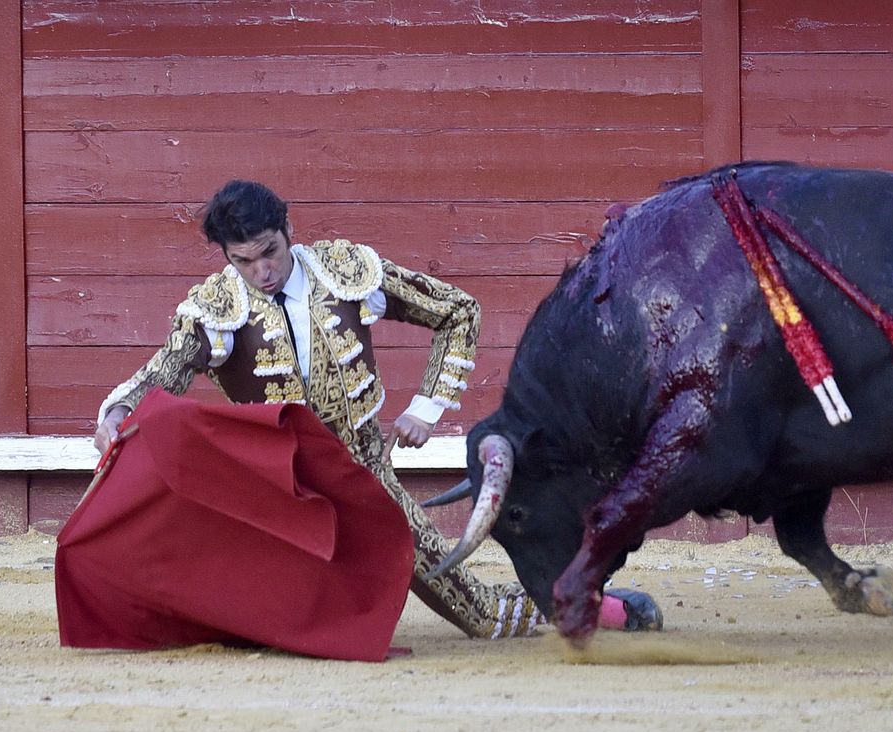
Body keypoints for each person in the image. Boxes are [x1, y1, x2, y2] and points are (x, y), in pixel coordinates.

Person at [93, 180, 659, 641]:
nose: (261, 271)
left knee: (477, 610)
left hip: (363, 476)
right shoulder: (216, 308)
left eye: (269, 252)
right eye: (243, 261)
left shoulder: (346, 272)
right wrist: (118, 410)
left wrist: (427, 406)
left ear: (289, 230)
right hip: (278, 489)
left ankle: (587, 606)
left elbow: (457, 311)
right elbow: (163, 372)